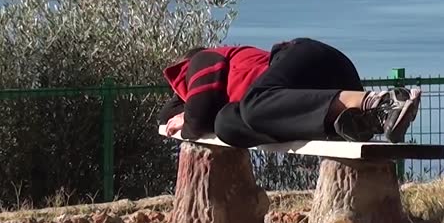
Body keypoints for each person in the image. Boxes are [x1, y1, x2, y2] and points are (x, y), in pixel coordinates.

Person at [157, 38, 421, 148]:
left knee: (253, 106)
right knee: (227, 124)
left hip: (311, 58)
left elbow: (199, 118)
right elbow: (171, 115)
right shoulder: (232, 100)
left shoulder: (204, 59)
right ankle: (358, 119)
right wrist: (185, 115)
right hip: (317, 96)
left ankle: (382, 102)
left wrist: (188, 120)